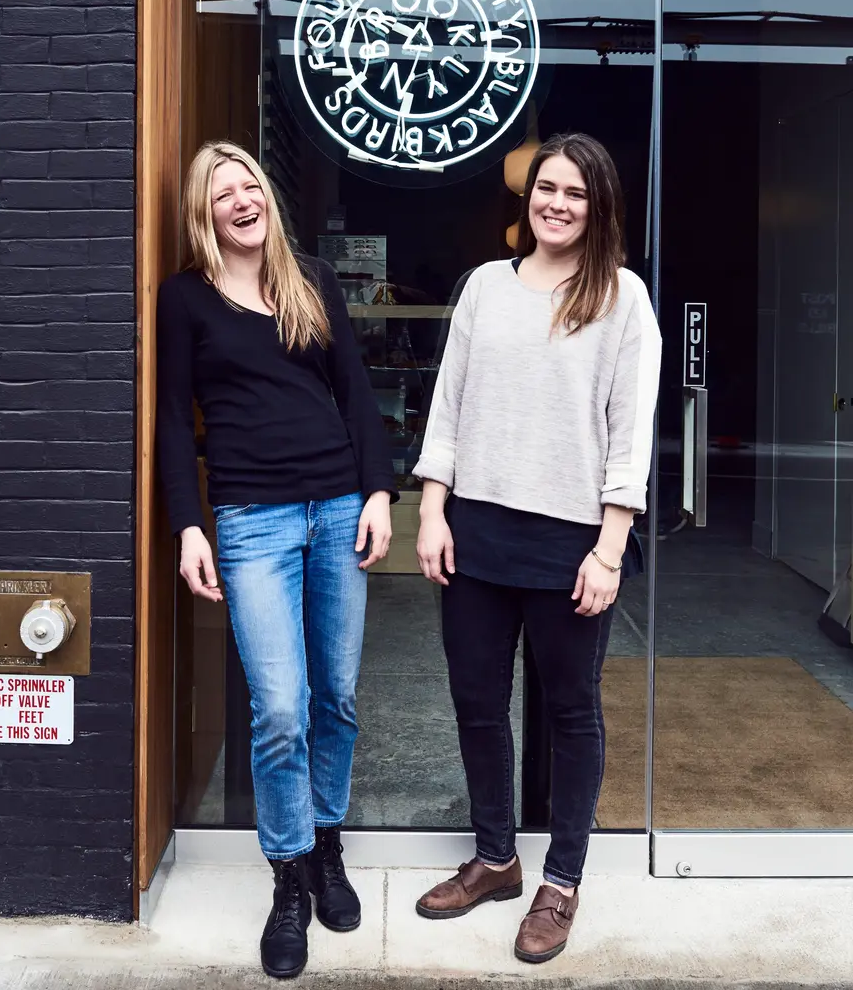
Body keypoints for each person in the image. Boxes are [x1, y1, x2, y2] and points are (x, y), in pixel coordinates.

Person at [412, 133, 661, 964]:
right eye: (545, 188)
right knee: (478, 706)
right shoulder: (486, 285)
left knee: (570, 714)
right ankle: (495, 859)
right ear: (528, 199)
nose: (557, 203)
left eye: (576, 193)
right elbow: (448, 404)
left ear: (600, 207)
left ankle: (560, 882)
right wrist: (432, 509)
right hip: (476, 532)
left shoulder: (624, 299)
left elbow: (630, 435)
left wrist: (610, 547)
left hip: (571, 544)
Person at [156, 141, 396, 980]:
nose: (241, 199)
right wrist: (189, 526)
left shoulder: (312, 279)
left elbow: (356, 393)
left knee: (335, 694)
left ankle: (327, 843)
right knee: (281, 708)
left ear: (268, 196)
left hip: (336, 509)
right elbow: (167, 421)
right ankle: (289, 875)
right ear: (204, 212)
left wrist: (378, 492)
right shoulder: (184, 299)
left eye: (249, 183)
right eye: (222, 193)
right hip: (251, 521)